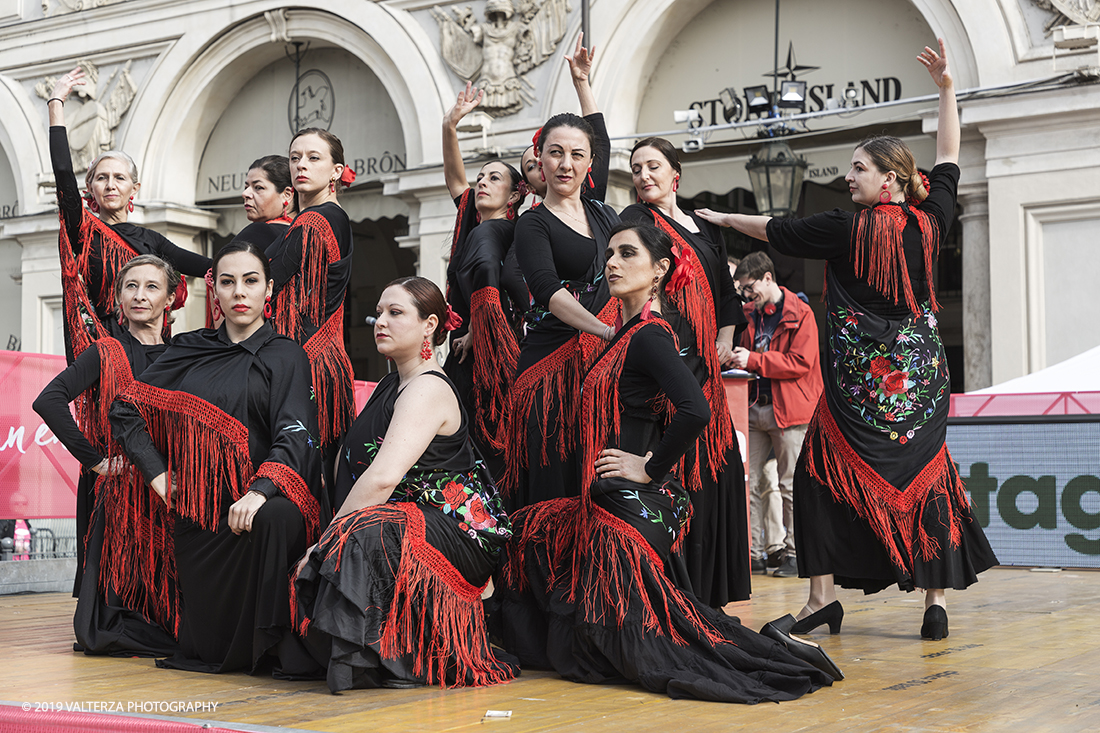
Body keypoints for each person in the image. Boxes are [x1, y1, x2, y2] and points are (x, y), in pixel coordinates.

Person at [697, 40, 997, 640]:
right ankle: (934, 602)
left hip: (858, 389)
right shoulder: (932, 218)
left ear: (890, 179)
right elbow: (948, 154)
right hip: (919, 384)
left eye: (858, 168)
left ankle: (820, 601)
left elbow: (775, 228)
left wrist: (723, 219)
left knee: (815, 475)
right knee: (928, 476)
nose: (847, 175)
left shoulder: (843, 227)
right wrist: (944, 90)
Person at [497, 223, 838, 702]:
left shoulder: (650, 336)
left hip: (634, 502)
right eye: (610, 253)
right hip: (608, 498)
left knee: (631, 647)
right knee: (525, 536)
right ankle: (776, 644)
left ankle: (780, 652)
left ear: (659, 270)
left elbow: (696, 409)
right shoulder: (625, 333)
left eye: (627, 254)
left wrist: (649, 467)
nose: (612, 262)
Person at [108, 241, 324, 674]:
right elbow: (125, 410)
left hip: (262, 501)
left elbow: (295, 434)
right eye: (227, 282)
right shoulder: (189, 348)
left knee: (276, 517)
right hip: (202, 512)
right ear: (214, 290)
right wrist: (159, 477)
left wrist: (260, 492)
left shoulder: (286, 355)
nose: (239, 292)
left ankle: (274, 643)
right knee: (205, 649)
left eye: (250, 281)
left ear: (269, 290)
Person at [292, 277, 516, 692]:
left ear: (429, 325)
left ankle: (377, 663)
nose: (381, 321)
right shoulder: (389, 385)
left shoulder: (427, 388)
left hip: (457, 528)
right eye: (379, 312)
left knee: (360, 536)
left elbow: (382, 478)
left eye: (396, 313)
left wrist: (326, 540)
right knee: (358, 530)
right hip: (410, 516)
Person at [621, 137, 750, 607]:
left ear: (675, 172)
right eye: (636, 168)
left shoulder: (701, 226)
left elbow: (725, 293)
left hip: (707, 362)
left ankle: (710, 597)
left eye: (652, 165)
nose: (643, 175)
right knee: (674, 466)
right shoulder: (635, 222)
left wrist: (727, 335)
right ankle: (673, 595)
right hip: (664, 356)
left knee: (715, 471)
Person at [34, 255, 181, 655]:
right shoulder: (105, 352)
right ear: (118, 298)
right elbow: (49, 400)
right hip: (121, 499)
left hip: (170, 494)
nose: (140, 295)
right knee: (99, 628)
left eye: (152, 287)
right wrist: (95, 459)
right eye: (130, 287)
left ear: (170, 298)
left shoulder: (184, 354)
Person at [47, 67, 210, 357]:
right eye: (102, 178)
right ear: (91, 188)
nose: (111, 185)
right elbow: (62, 173)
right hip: (103, 351)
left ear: (133, 188)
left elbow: (207, 266)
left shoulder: (152, 241)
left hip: (152, 349)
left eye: (119, 178)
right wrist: (56, 104)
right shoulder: (83, 231)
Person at [504, 112, 620, 507]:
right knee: (556, 480)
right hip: (551, 370)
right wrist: (606, 331)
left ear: (590, 163)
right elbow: (548, 292)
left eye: (576, 154)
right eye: (555, 153)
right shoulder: (532, 224)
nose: (566, 164)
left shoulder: (604, 214)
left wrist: (583, 85)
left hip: (604, 367)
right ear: (540, 159)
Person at [266, 128, 356, 511]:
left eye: (313, 158)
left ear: (336, 171)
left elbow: (269, 285)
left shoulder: (314, 223)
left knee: (303, 474)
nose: (301, 164)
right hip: (325, 358)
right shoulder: (326, 219)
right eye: (295, 157)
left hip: (305, 363)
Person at [441, 83, 528, 478]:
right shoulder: (477, 225)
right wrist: (450, 126)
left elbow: (489, 284)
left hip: (485, 350)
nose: (483, 183)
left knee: (478, 440)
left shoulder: (495, 233)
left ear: (513, 197)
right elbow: (455, 179)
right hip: (474, 346)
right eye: (481, 177)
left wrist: (477, 328)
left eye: (494, 179)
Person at [731, 251, 822, 580]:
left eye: (749, 287)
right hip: (754, 406)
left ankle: (795, 554)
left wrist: (752, 359)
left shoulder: (802, 313)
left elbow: (801, 363)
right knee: (747, 483)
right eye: (741, 289)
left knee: (790, 486)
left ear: (768, 278)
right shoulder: (748, 313)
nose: (746, 294)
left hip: (791, 410)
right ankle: (752, 553)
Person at [518, 34, 610, 203]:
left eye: (557, 153)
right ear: (529, 187)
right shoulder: (531, 223)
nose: (539, 163)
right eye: (531, 165)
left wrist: (581, 82)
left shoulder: (592, 207)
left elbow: (601, 143)